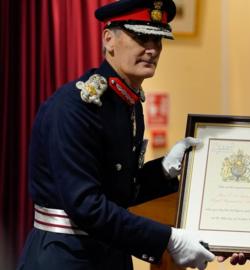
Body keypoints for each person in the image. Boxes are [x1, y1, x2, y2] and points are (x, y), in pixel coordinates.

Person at [17, 0, 214, 269]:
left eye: (158, 40)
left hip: (110, 255)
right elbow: (86, 205)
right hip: (67, 255)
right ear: (109, 39)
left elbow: (120, 190)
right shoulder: (75, 107)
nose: (152, 49)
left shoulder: (127, 102)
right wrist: (168, 239)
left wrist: (164, 170)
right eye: (142, 37)